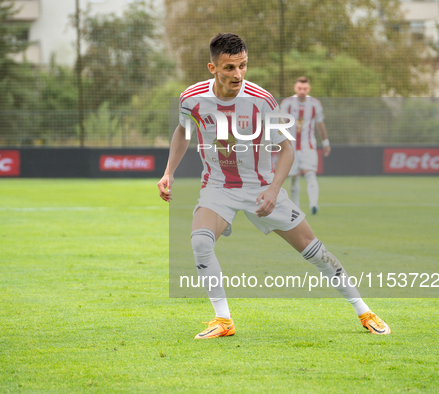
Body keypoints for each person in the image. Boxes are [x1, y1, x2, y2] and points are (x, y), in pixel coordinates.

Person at [157, 33, 390, 339]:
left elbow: (287, 149)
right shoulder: (191, 98)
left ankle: (364, 310)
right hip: (217, 187)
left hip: (262, 188)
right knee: (200, 243)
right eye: (229, 68)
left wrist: (274, 189)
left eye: (242, 66)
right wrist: (168, 172)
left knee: (315, 252)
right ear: (212, 68)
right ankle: (223, 320)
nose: (237, 74)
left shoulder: (263, 100)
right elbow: (183, 131)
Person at [280, 77, 329, 214]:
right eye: (300, 88)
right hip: (291, 147)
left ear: (309, 89)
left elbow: (320, 123)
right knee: (293, 177)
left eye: (305, 88)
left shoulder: (315, 104)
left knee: (310, 173)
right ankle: (296, 207)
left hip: (308, 146)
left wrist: (325, 142)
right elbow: (281, 123)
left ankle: (314, 204)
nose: (302, 91)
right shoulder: (287, 103)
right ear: (295, 88)